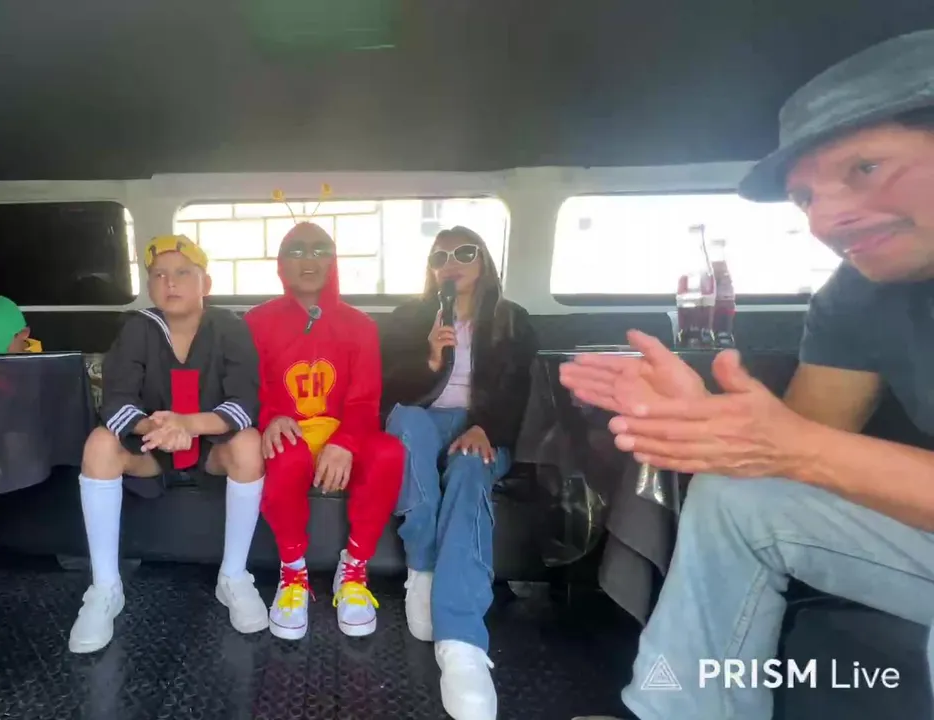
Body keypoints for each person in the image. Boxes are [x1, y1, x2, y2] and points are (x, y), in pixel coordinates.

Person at [563, 29, 934, 720]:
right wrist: (712, 424)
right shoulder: (857, 296)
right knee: (737, 496)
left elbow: (804, 448)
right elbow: (795, 453)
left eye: (865, 168)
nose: (828, 217)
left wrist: (794, 446)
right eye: (804, 198)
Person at [70, 234, 267, 654]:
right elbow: (116, 402)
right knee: (100, 443)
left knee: (249, 443)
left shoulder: (229, 327)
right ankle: (105, 588)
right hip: (152, 450)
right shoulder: (138, 328)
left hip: (211, 450)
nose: (170, 282)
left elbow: (245, 404)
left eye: (182, 273)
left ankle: (233, 576)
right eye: (159, 275)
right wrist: (159, 429)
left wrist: (189, 425)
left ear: (205, 283)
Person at [381, 226, 537, 720]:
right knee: (406, 423)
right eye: (440, 256)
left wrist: (486, 427)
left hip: (484, 428)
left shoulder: (512, 320)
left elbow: (522, 392)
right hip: (426, 421)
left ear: (483, 260)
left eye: (464, 252)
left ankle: (462, 642)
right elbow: (388, 393)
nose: (451, 262)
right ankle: (422, 568)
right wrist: (430, 358)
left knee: (471, 469)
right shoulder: (409, 318)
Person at [244, 222, 404, 641]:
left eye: (320, 250)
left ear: (334, 261)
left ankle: (354, 570)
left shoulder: (360, 325)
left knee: (388, 453)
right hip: (288, 430)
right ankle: (293, 572)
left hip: (343, 429)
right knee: (285, 455)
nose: (309, 260)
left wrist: (345, 443)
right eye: (296, 250)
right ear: (281, 263)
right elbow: (249, 385)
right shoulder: (257, 322)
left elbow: (365, 400)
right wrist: (270, 417)